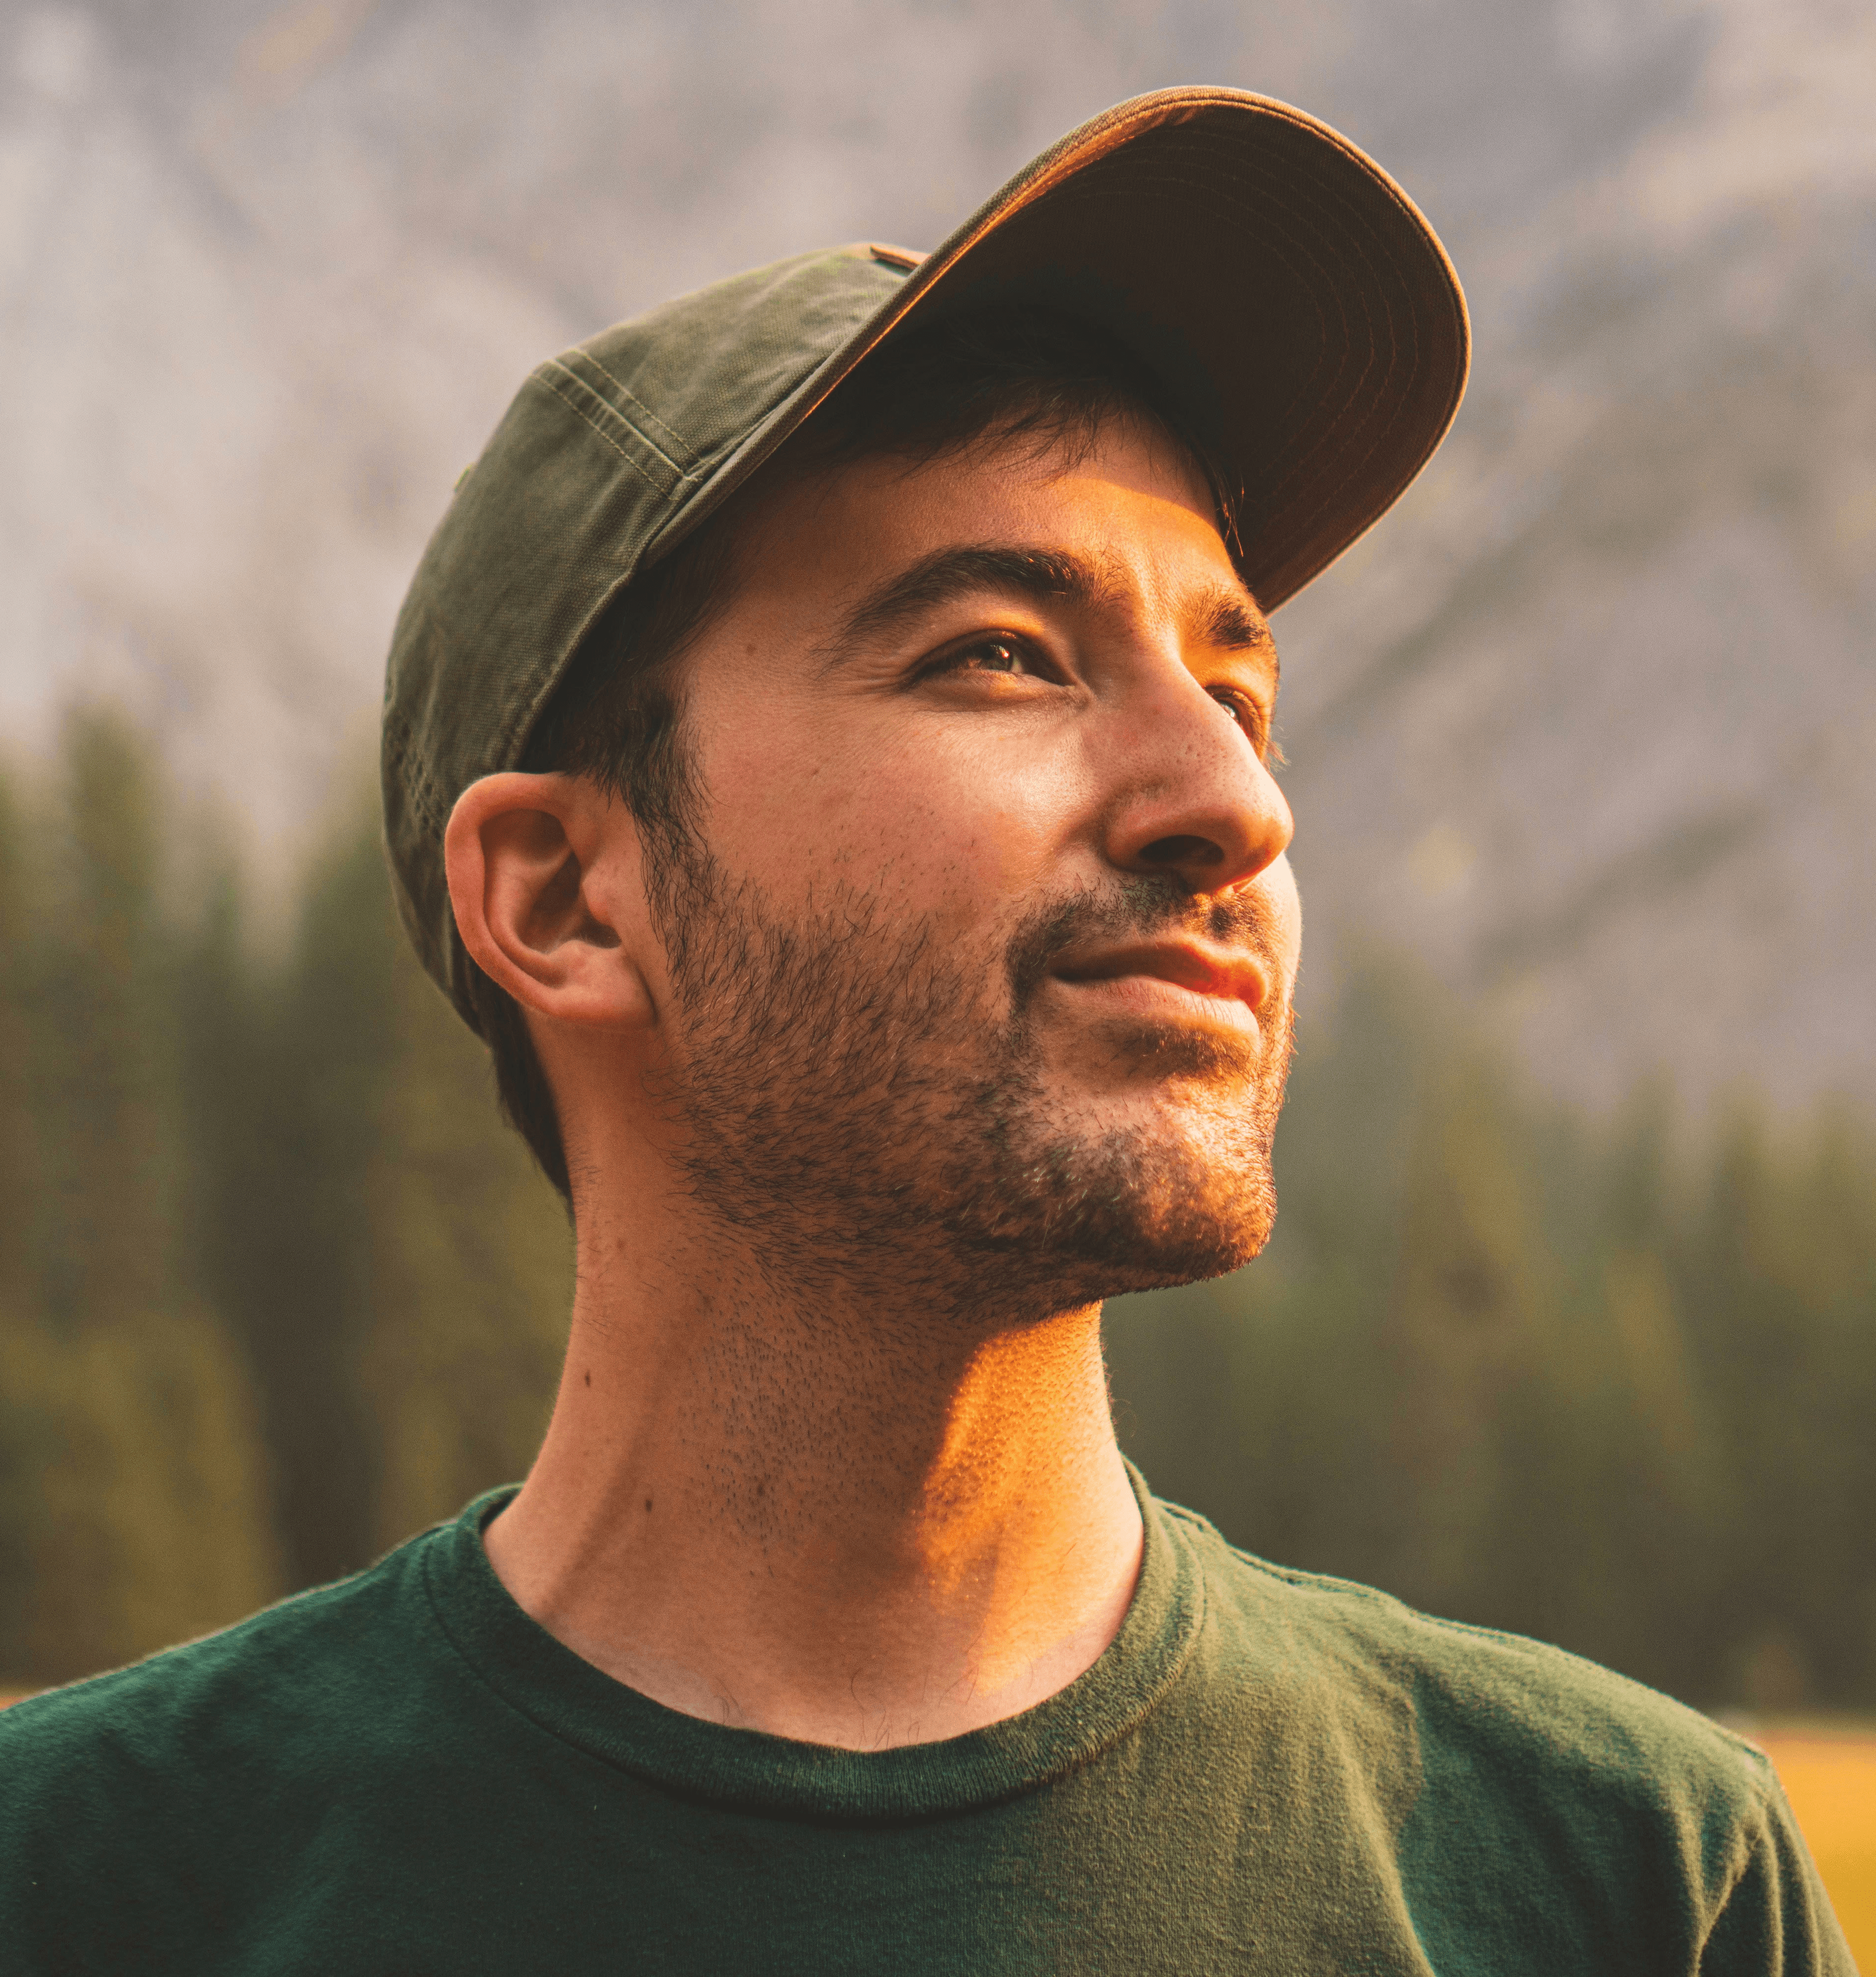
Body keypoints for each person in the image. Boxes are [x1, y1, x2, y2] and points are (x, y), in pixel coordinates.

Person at [0, 88, 1853, 1975]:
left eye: (1242, 686)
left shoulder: (1634, 1888)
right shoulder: (78, 1886)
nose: (1235, 799)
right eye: (1001, 655)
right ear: (565, 898)